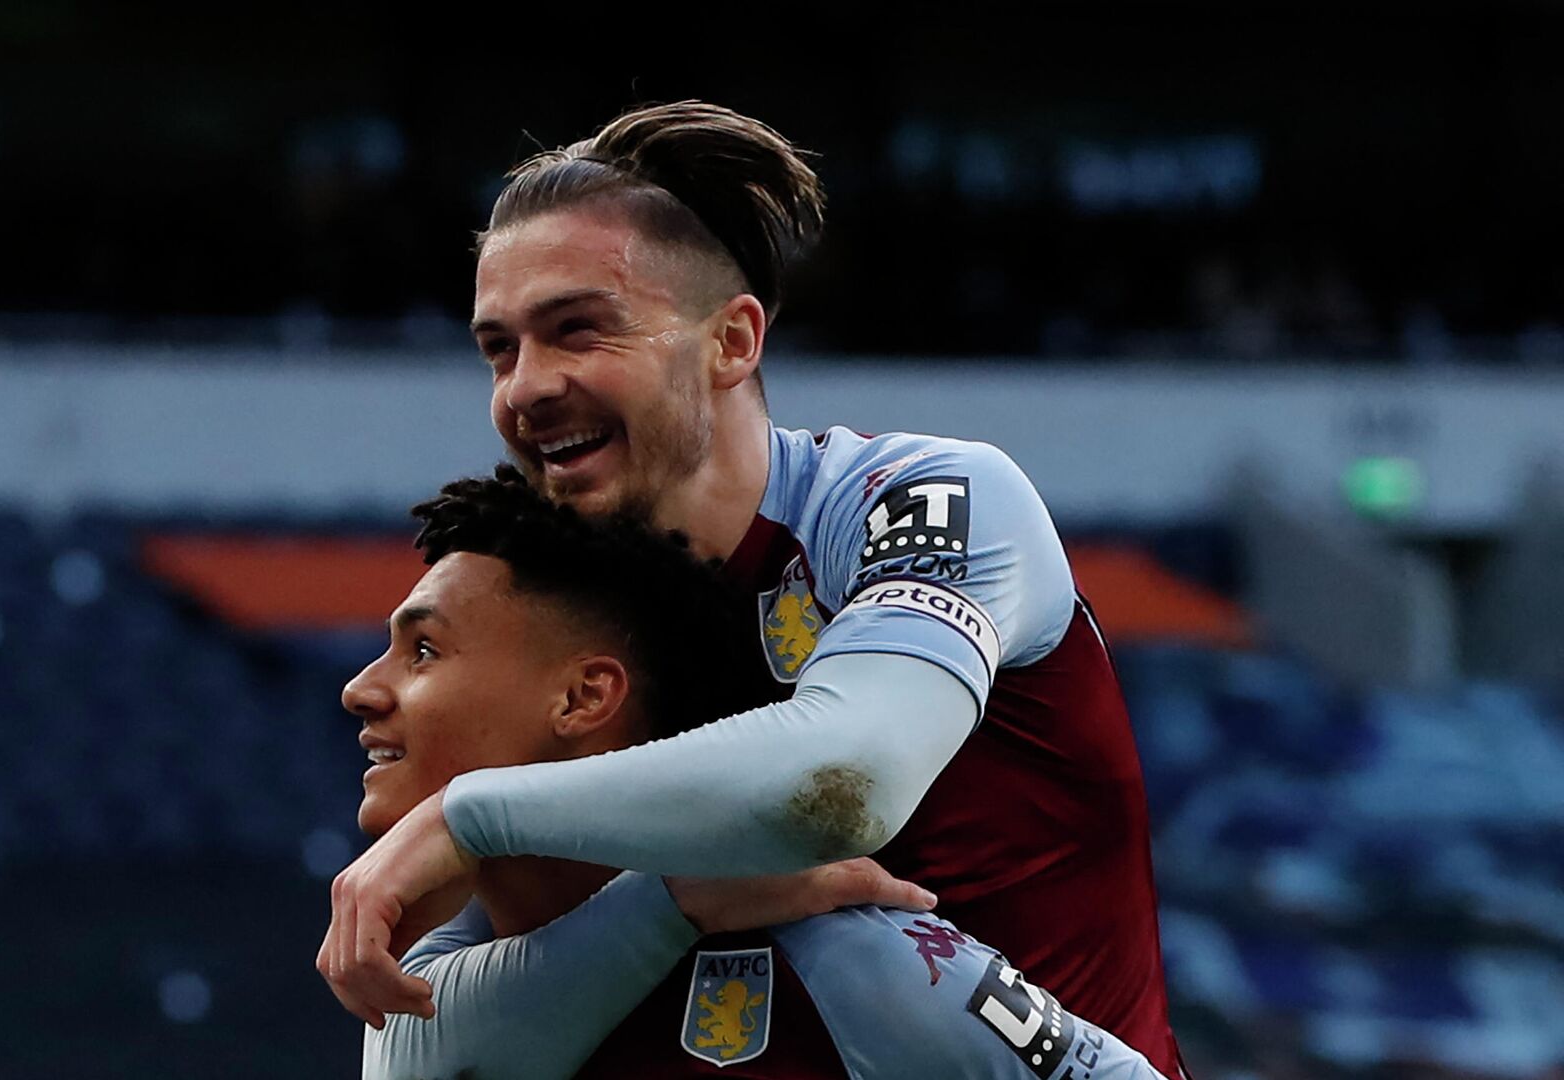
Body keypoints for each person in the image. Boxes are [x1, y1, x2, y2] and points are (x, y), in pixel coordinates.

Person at [320, 101, 1189, 1077]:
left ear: (732, 343)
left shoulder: (921, 500)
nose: (523, 388)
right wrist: (668, 901)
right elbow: (418, 1037)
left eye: (577, 331)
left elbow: (847, 780)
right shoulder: (586, 638)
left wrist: (467, 813)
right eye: (500, 349)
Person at [348, 470, 1166, 1079]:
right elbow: (416, 1053)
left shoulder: (859, 962)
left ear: (584, 696)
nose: (361, 688)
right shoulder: (438, 956)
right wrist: (673, 899)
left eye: (422, 651)